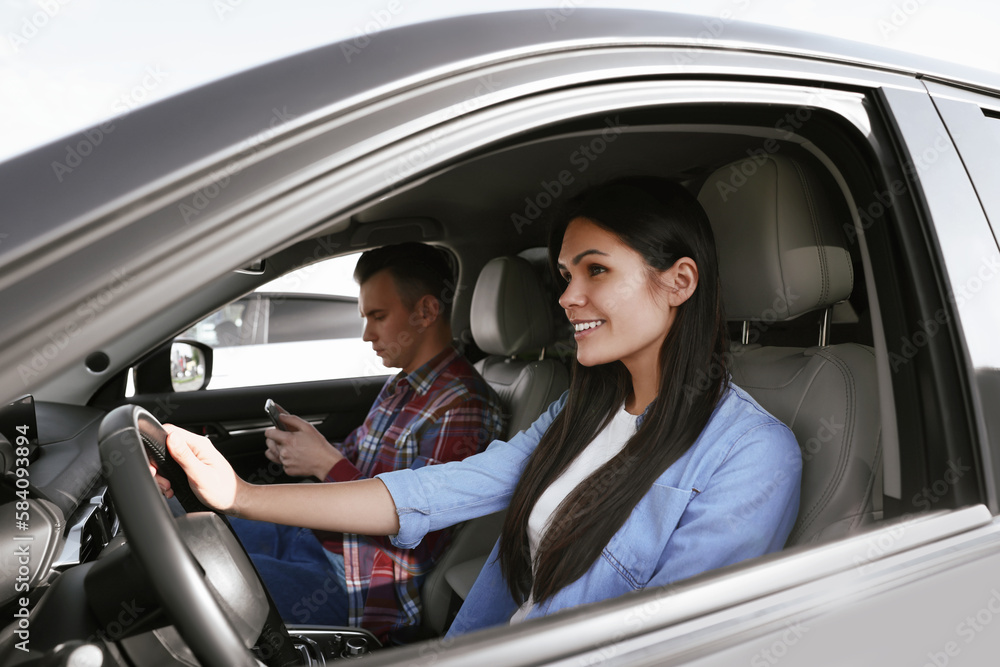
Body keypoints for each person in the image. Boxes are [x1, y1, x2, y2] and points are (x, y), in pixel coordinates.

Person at [155, 178, 802, 638]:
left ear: (679, 281)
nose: (569, 296)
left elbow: (670, 646)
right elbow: (432, 491)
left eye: (595, 270)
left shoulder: (751, 454)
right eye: (565, 275)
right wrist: (238, 493)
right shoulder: (580, 413)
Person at [227, 242, 505, 643]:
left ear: (426, 311)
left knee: (198, 579)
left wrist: (324, 463)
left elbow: (421, 536)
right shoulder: (402, 385)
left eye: (378, 316)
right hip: (319, 538)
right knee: (201, 528)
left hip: (358, 582)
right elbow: (356, 461)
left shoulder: (462, 405)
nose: (366, 334)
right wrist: (308, 452)